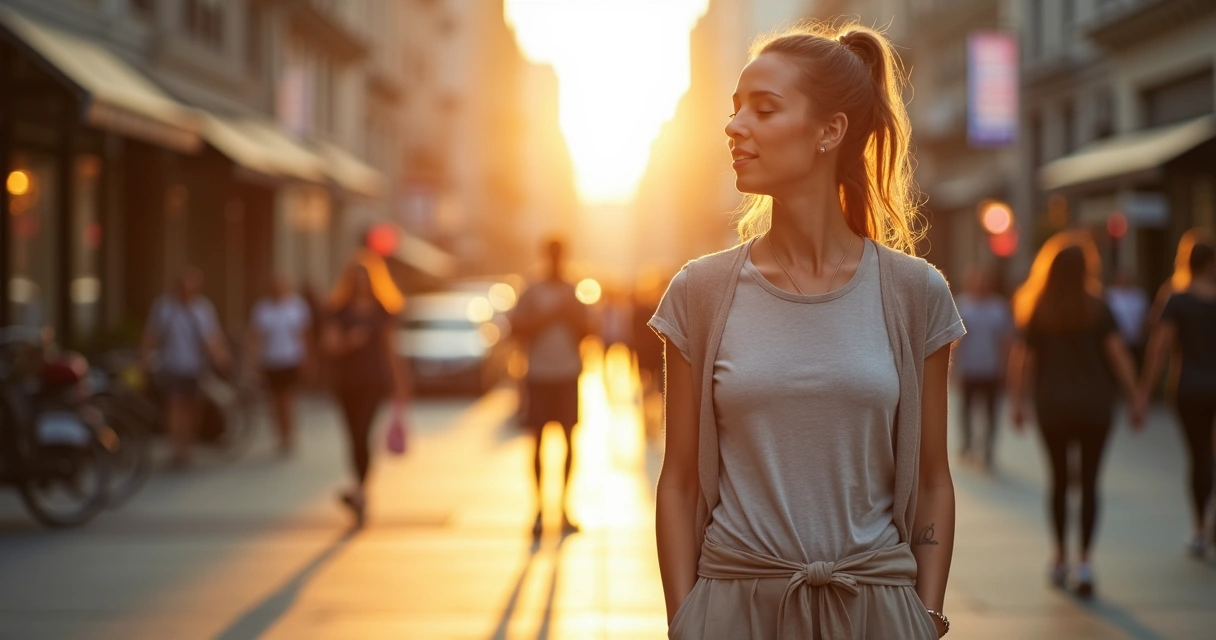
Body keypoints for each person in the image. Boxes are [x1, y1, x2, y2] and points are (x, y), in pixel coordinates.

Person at [650, 23, 965, 638]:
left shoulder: (914, 292)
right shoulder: (699, 292)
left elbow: (932, 479)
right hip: (734, 611)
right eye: (735, 108)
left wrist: (925, 618)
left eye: (763, 109)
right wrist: (685, 620)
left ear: (830, 131)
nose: (734, 126)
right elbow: (679, 480)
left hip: (876, 611)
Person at [1006, 231, 1142, 598]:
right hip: (1095, 406)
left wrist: (1018, 402)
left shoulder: (1039, 308)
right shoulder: (1099, 306)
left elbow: (1024, 360)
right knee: (1091, 483)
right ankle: (1084, 561)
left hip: (1053, 406)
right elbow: (1118, 355)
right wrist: (1136, 397)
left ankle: (1059, 557)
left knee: (1060, 481)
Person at [1138, 238, 1216, 557]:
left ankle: (1199, 527)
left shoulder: (1177, 299)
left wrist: (1143, 391)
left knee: (1199, 457)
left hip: (1190, 387)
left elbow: (1160, 349)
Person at [322, 250, 411, 526]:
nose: (361, 283)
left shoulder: (383, 311)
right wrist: (351, 342)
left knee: (363, 431)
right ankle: (359, 489)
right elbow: (330, 345)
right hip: (347, 381)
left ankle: (361, 492)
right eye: (356, 277)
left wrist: (401, 383)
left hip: (373, 381)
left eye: (365, 278)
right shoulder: (340, 311)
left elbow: (390, 349)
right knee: (353, 437)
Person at [511, 238, 589, 539]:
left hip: (567, 373)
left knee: (570, 440)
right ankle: (540, 508)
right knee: (538, 443)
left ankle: (565, 506)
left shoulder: (573, 291)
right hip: (539, 375)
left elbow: (588, 330)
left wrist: (571, 317)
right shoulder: (532, 290)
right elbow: (516, 328)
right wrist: (549, 316)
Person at [140, 267, 230, 468]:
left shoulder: (203, 308)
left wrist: (220, 356)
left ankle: (187, 443)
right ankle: (177, 448)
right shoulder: (164, 307)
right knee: (175, 406)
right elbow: (152, 335)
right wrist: (144, 358)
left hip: (197, 366)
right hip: (173, 364)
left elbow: (213, 335)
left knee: (194, 407)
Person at [954, 266, 1013, 469]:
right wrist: (952, 368)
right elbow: (954, 341)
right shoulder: (962, 305)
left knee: (991, 413)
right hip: (969, 368)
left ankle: (988, 450)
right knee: (966, 411)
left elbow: (1005, 340)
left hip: (991, 369)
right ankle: (967, 444)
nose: (981, 285)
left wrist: (1005, 367)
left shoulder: (998, 307)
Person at [248, 274, 312, 456]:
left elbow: (304, 335)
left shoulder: (296, 306)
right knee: (274, 401)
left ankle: (289, 435)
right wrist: (254, 359)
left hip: (291, 359)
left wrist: (307, 360)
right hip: (270, 360)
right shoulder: (262, 309)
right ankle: (279, 435)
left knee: (288, 400)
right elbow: (256, 336)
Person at [1106, 268, 1150, 364]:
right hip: (1116, 341)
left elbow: (1145, 318)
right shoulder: (1108, 295)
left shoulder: (1139, 295)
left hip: (1135, 341)